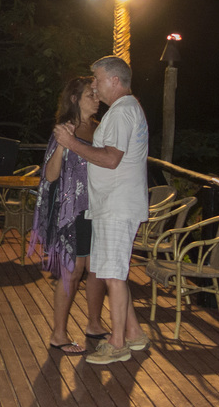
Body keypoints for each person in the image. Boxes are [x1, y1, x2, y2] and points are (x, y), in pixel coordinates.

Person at [55, 56, 152, 365]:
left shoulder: (122, 112)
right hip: (112, 204)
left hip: (117, 205)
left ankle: (118, 343)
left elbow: (111, 159)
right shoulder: (127, 109)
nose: (94, 85)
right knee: (114, 272)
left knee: (113, 276)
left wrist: (70, 142)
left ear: (114, 80)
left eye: (97, 79)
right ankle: (134, 333)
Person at [30, 77, 108, 355]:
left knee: (97, 268)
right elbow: (50, 175)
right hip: (73, 209)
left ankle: (94, 324)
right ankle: (59, 334)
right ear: (74, 99)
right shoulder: (64, 130)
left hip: (100, 207)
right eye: (90, 95)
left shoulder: (100, 128)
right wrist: (65, 144)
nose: (96, 99)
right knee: (72, 270)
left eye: (97, 94)